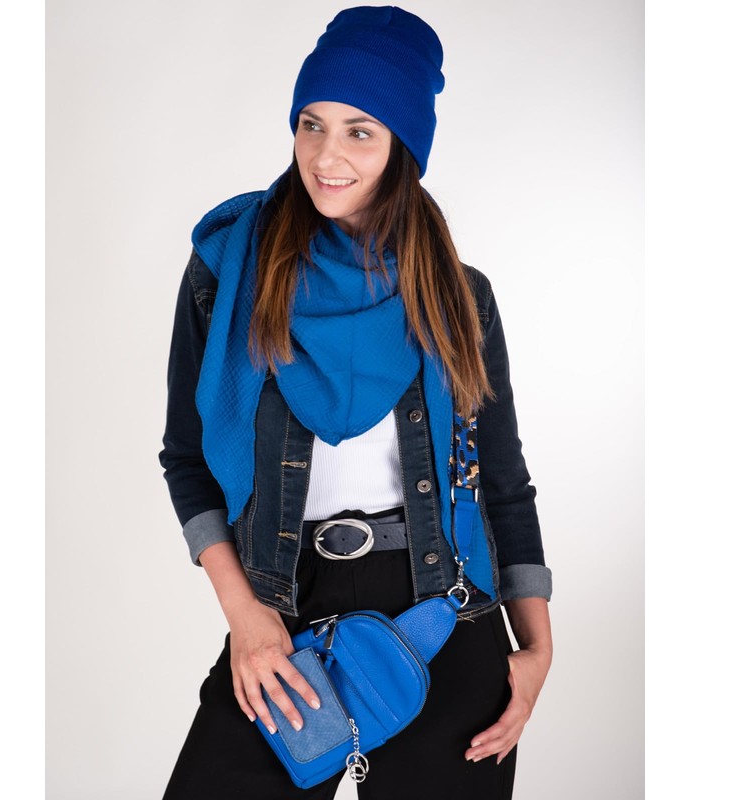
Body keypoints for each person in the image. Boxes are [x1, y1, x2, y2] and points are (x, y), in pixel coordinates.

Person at [158, 6, 552, 799]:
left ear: (403, 147)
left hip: (448, 620)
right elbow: (188, 459)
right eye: (312, 124)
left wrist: (537, 647)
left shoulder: (460, 298)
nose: (326, 156)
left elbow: (503, 482)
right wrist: (246, 618)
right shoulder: (227, 274)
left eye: (360, 132)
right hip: (281, 613)